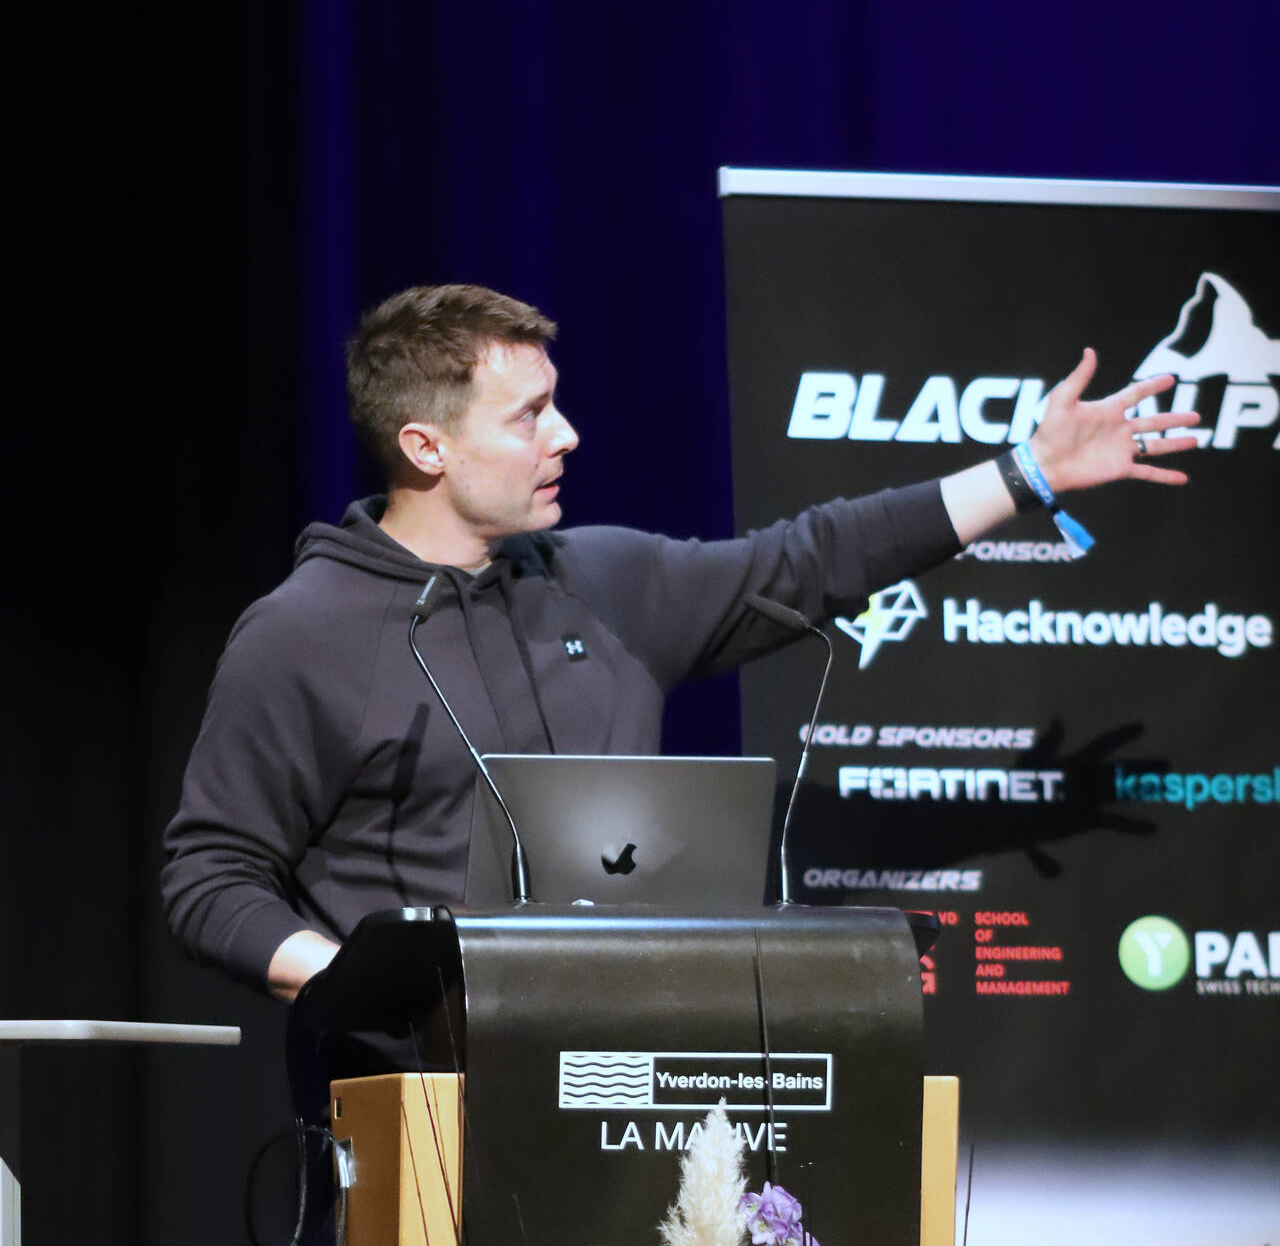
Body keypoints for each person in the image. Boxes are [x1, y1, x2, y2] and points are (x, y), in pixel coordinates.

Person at [162, 282, 1196, 1001]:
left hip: (648, 1089)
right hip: (417, 1109)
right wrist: (358, 980)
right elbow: (211, 878)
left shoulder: (604, 583)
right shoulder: (304, 634)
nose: (566, 435)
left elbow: (814, 558)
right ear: (425, 446)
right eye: (528, 416)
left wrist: (1025, 472)